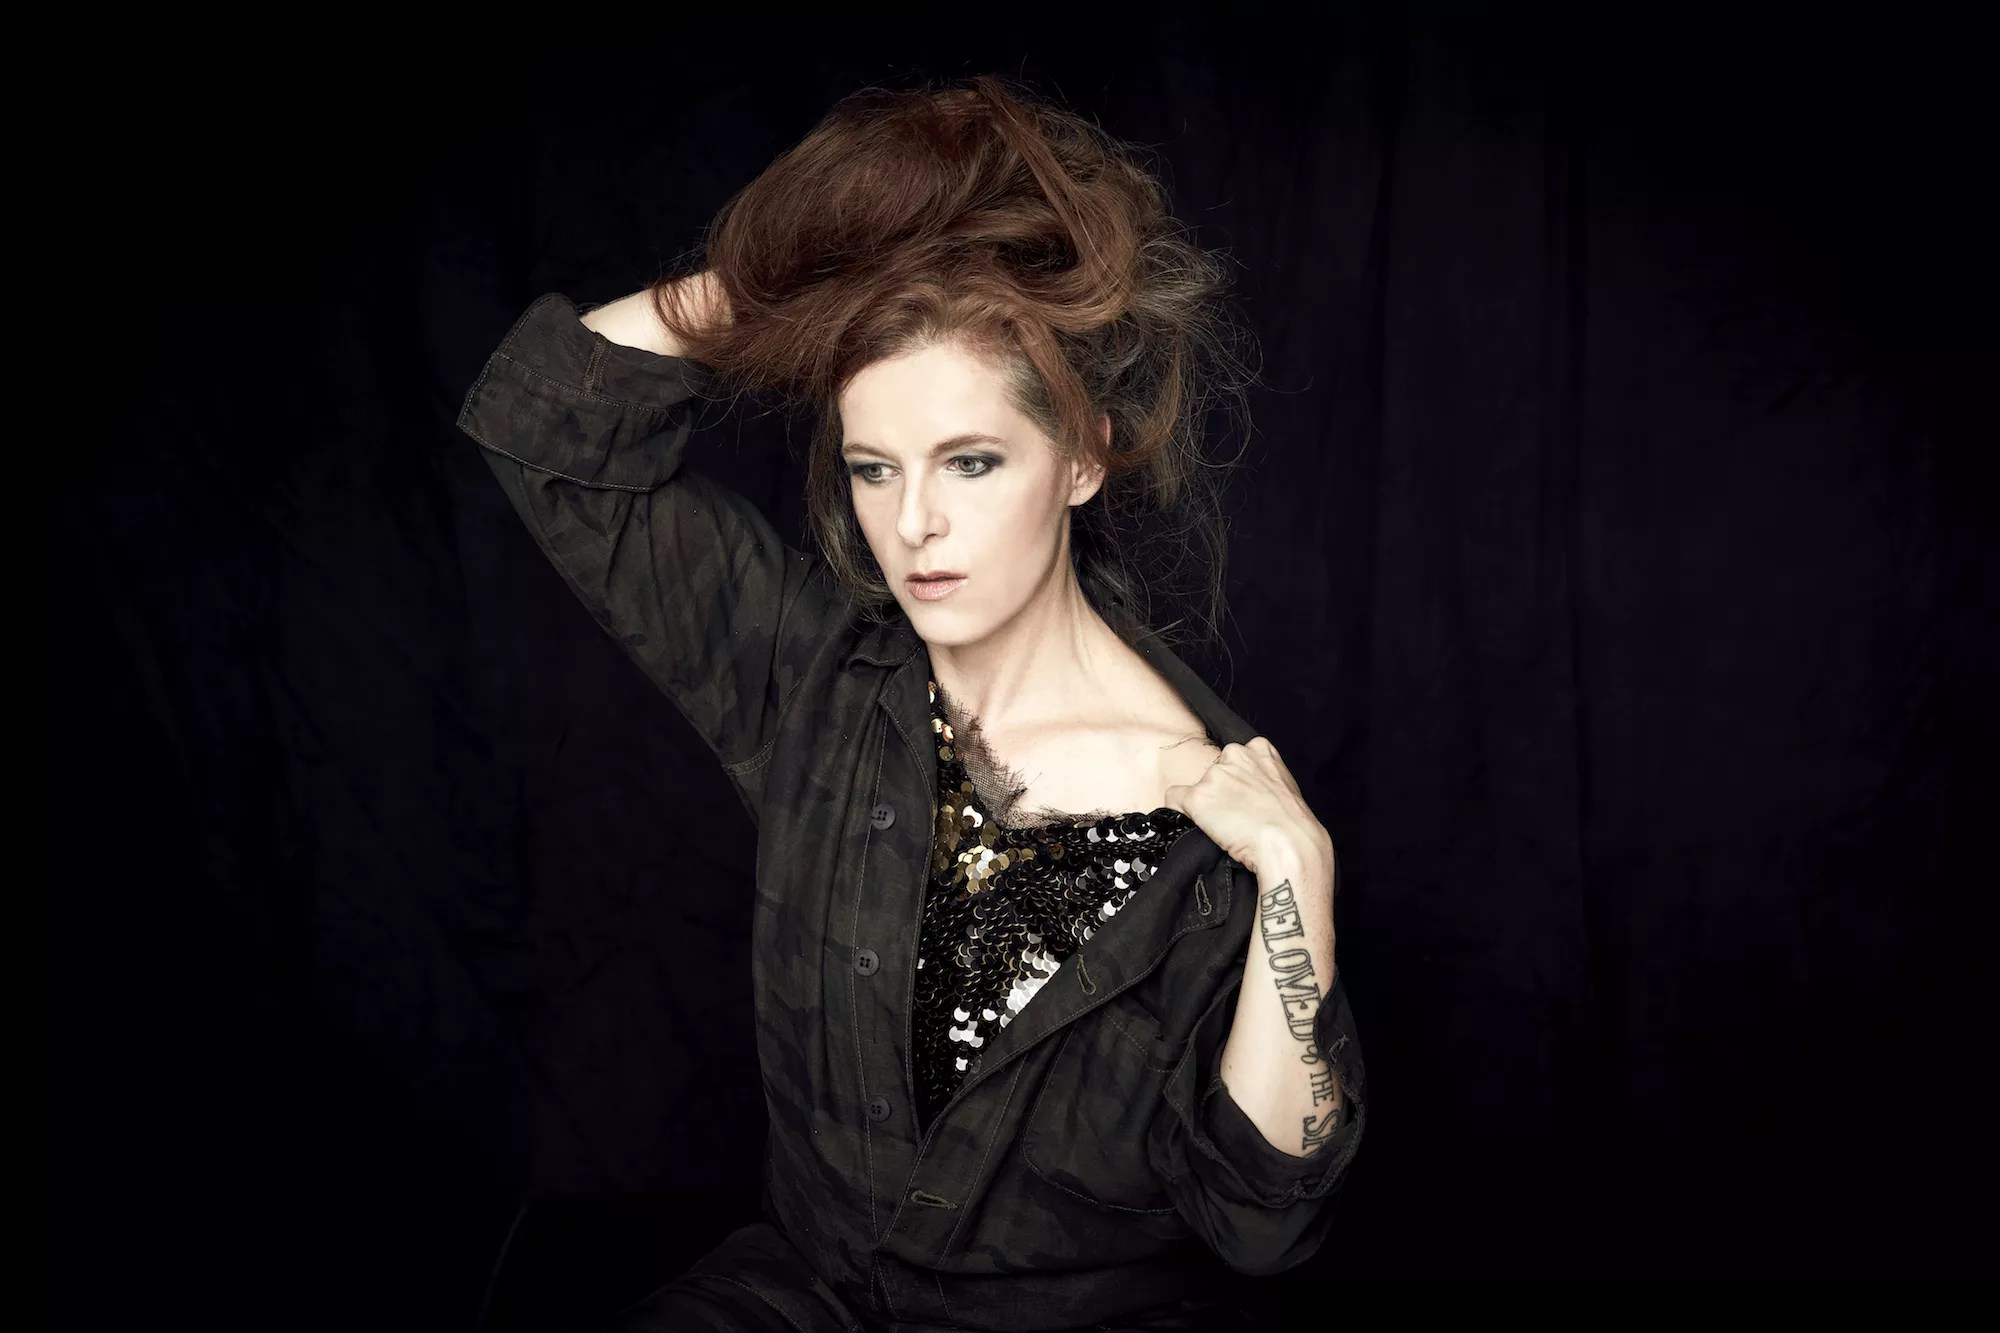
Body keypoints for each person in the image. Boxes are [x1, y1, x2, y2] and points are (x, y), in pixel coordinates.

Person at [456, 73, 1366, 1333]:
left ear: (1081, 456)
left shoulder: (1207, 822)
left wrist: (1297, 881)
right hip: (808, 1297)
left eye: (970, 462)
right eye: (874, 469)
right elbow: (548, 425)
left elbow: (1262, 1218)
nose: (914, 523)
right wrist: (807, 285)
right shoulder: (815, 679)